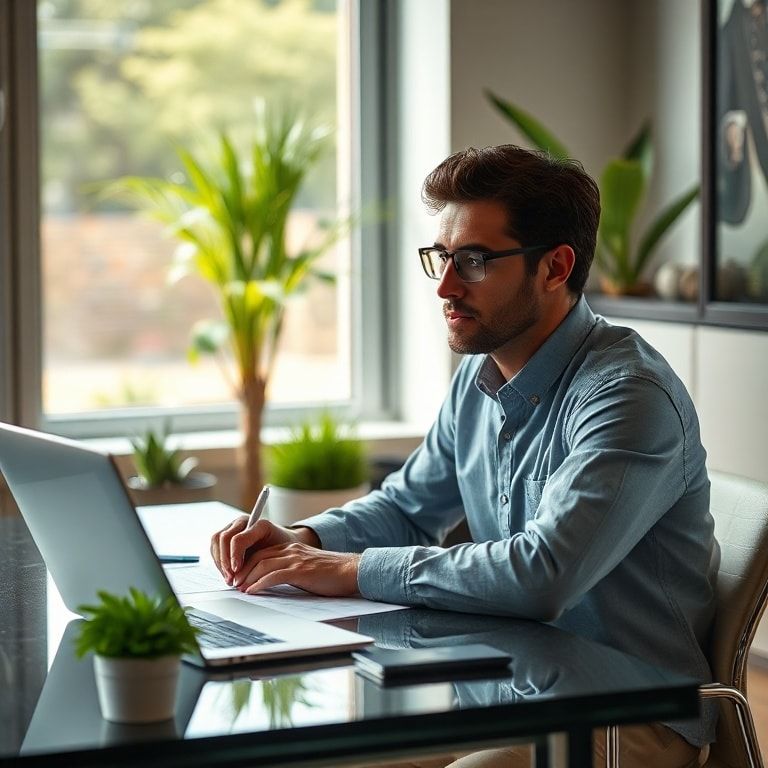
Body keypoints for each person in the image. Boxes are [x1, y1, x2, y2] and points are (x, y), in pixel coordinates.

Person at [211, 145, 718, 767]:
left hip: (625, 717)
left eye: (474, 260)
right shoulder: (479, 376)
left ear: (555, 267)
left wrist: (353, 569)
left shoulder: (628, 396)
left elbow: (543, 576)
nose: (446, 286)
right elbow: (407, 505)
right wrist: (304, 538)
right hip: (500, 690)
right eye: (441, 258)